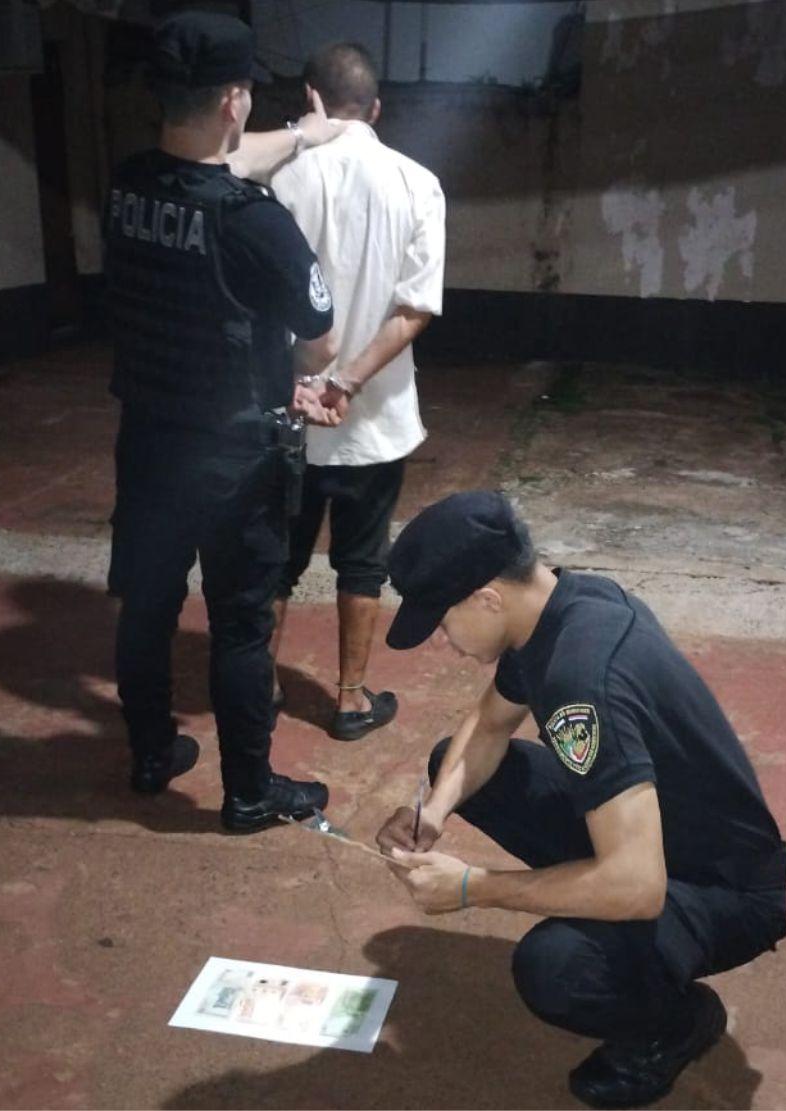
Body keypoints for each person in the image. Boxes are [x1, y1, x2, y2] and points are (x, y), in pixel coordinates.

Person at [374, 491, 786, 1108]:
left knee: (556, 969)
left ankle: (675, 1024)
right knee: (452, 767)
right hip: (652, 830)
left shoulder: (581, 679)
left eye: (441, 621)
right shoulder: (561, 605)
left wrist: (472, 887)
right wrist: (432, 815)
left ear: (488, 598)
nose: (444, 638)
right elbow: (489, 726)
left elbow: (637, 886)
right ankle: (611, 927)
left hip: (721, 889)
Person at [104, 11, 348, 831]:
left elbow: (216, 165)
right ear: (236, 100)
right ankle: (248, 792)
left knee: (146, 605)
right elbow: (321, 348)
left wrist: (304, 136)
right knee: (240, 626)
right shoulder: (256, 224)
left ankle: (149, 752)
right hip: (235, 458)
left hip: (147, 443)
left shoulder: (128, 185)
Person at [264, 42, 446, 741]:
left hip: (288, 415)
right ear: (376, 108)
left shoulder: (280, 179)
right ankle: (348, 699)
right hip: (375, 418)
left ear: (311, 99)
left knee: (278, 559)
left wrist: (303, 383)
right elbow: (413, 309)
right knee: (362, 562)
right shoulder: (417, 183)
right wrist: (347, 382)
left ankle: (264, 685)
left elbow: (256, 305)